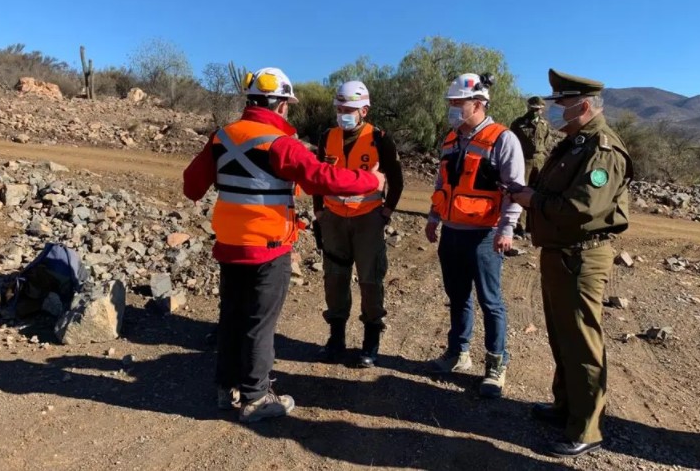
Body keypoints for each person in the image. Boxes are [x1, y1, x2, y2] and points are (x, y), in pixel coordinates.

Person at [183, 67, 386, 423]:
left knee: (231, 317)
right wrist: (372, 179)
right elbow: (324, 178)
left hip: (230, 246)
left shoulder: (221, 138)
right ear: (279, 106)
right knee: (259, 323)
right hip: (268, 249)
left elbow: (191, 187)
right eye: (288, 105)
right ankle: (256, 397)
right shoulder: (280, 144)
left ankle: (224, 389)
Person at [510, 69, 633, 457]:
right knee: (563, 335)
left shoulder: (602, 149)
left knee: (582, 342)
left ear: (582, 105)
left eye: (560, 104)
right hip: (562, 254)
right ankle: (566, 407)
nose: (553, 112)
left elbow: (584, 209)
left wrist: (532, 201)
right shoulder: (574, 143)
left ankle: (587, 428)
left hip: (582, 255)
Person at [424, 72, 525, 398]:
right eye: (451, 103)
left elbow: (514, 189)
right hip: (451, 233)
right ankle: (458, 353)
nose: (453, 108)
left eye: (458, 103)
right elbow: (443, 184)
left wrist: (506, 229)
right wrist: (433, 217)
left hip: (484, 235)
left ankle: (496, 366)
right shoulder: (451, 139)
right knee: (457, 297)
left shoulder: (502, 139)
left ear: (479, 103)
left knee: (490, 302)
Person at [312, 81, 404, 368]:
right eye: (339, 108)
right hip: (334, 219)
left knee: (370, 280)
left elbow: (397, 180)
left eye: (349, 109)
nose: (343, 113)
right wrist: (318, 212)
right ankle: (336, 338)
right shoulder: (328, 136)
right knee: (334, 278)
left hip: (367, 220)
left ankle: (370, 342)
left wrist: (386, 212)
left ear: (364, 110)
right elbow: (317, 176)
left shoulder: (379, 138)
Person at [509, 96, 552, 237]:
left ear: (542, 109)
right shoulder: (518, 124)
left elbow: (547, 142)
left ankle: (531, 227)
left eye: (539, 109)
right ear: (528, 107)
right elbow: (511, 142)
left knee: (537, 193)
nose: (536, 111)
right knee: (521, 191)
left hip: (540, 161)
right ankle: (518, 227)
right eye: (533, 108)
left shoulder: (544, 124)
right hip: (523, 160)